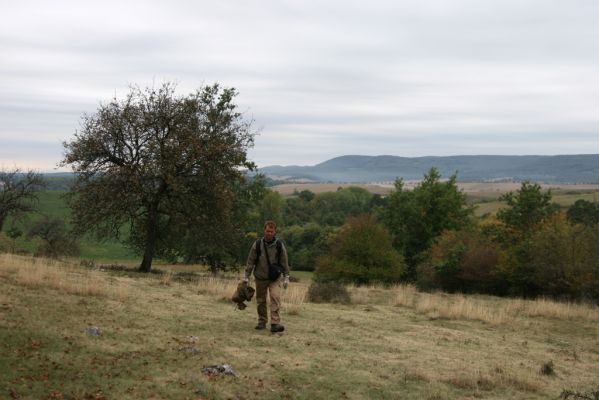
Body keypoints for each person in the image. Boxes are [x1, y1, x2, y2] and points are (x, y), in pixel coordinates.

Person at [244, 220, 290, 333]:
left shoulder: (279, 245)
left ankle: (275, 323)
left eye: (271, 231)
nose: (269, 233)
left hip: (275, 278)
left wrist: (287, 276)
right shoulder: (257, 244)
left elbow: (284, 261)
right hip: (260, 277)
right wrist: (246, 276)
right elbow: (250, 261)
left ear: (275, 232)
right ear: (264, 231)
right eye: (267, 231)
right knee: (261, 300)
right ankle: (262, 321)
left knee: (275, 297)